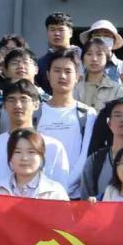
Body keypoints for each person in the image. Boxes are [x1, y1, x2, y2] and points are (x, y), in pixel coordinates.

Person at [0, 81, 71, 193]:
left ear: (36, 105)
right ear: (4, 106)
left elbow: (60, 190)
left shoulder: (53, 147)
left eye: (24, 100)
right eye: (11, 100)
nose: (18, 105)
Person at [39, 49, 96, 198]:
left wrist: (64, 187)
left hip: (74, 195)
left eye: (68, 71)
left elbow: (85, 156)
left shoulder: (87, 114)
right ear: (48, 75)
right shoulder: (36, 112)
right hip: (40, 193)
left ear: (77, 76)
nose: (62, 76)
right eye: (57, 71)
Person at [0, 128, 70, 200]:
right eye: (18, 152)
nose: (24, 158)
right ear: (10, 156)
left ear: (41, 156)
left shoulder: (55, 193)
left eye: (31, 152)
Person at [75, 38, 123, 112]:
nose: (94, 59)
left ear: (107, 58)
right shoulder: (74, 87)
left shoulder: (117, 89)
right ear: (83, 59)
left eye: (99, 54)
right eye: (89, 54)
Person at [35, 12, 77, 93]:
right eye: (52, 30)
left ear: (70, 32)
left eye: (61, 30)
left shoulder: (83, 57)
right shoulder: (40, 64)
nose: (57, 34)